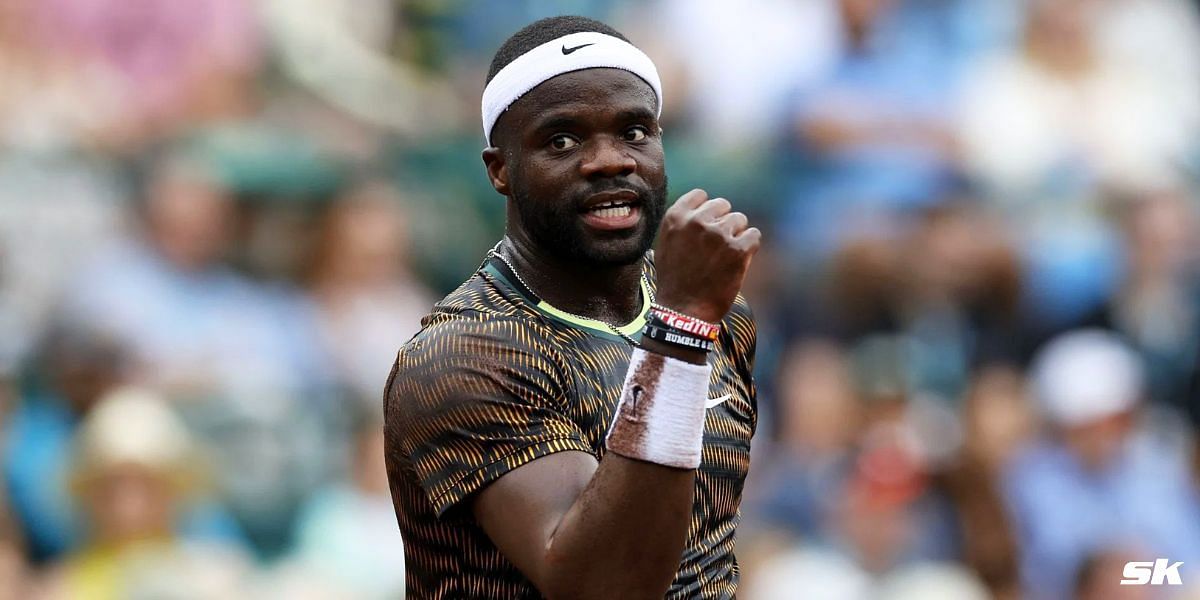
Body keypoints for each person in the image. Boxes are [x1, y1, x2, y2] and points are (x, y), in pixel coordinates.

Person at [383, 15, 761, 599]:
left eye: (635, 132)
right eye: (562, 140)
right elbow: (604, 588)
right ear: (500, 170)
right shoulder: (464, 355)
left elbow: (708, 550)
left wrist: (685, 321)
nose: (610, 160)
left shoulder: (718, 312)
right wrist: (680, 334)